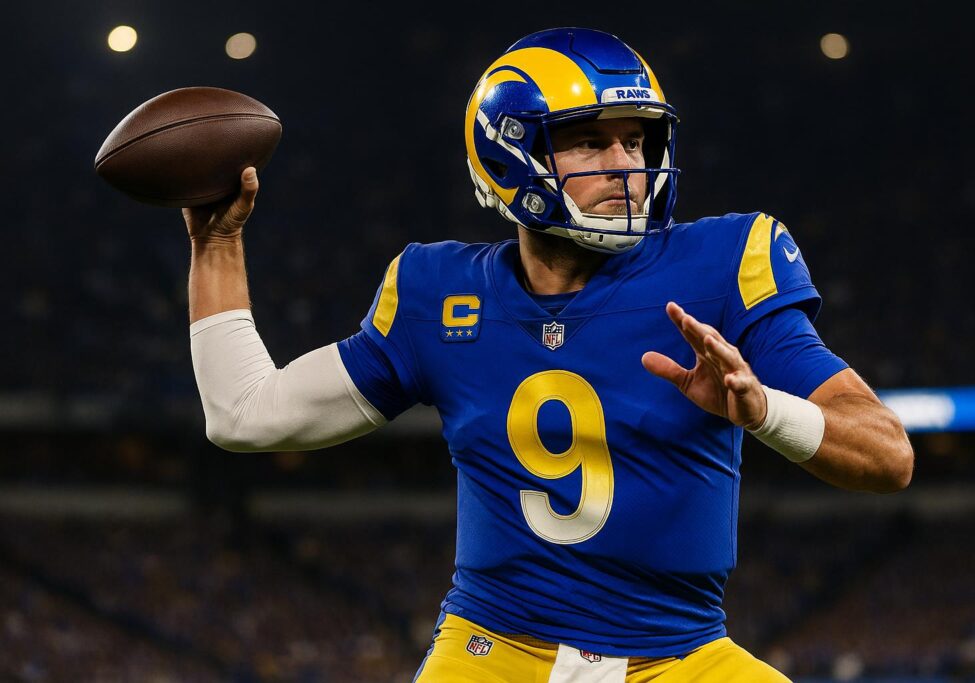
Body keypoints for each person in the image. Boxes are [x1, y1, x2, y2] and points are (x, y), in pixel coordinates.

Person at [185, 27, 913, 682]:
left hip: (680, 656)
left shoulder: (725, 263)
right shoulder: (437, 291)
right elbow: (245, 413)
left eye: (638, 141)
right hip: (494, 650)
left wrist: (764, 410)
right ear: (510, 152)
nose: (625, 164)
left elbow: (888, 456)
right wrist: (217, 243)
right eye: (592, 142)